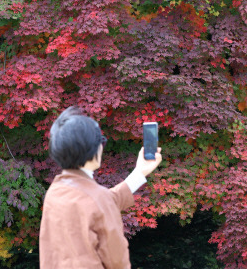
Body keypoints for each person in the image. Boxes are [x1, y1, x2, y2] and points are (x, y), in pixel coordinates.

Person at [39, 106, 162, 269]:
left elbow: (101, 202)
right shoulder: (97, 199)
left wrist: (140, 172)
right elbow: (118, 262)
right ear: (94, 148)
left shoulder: (55, 192)